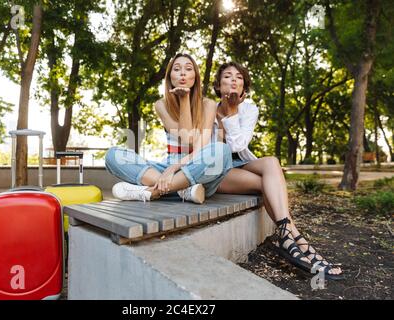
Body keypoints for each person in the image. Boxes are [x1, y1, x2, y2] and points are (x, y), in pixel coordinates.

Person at [213, 61, 343, 280]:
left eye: (239, 77)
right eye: (227, 76)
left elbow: (240, 146)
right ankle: (300, 242)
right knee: (269, 184)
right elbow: (223, 150)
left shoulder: (249, 108)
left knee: (272, 162)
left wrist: (233, 112)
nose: (234, 79)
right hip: (218, 170)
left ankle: (286, 235)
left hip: (240, 164)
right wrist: (228, 113)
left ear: (244, 89)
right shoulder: (208, 109)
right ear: (218, 85)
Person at [105, 53, 232, 204]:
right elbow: (186, 138)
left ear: (195, 77)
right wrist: (168, 170)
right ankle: (184, 190)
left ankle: (150, 192)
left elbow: (194, 145)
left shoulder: (208, 105)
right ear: (170, 77)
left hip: (198, 169)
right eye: (177, 69)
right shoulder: (161, 105)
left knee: (221, 151)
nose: (183, 73)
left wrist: (172, 169)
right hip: (167, 169)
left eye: (188, 69)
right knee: (113, 155)